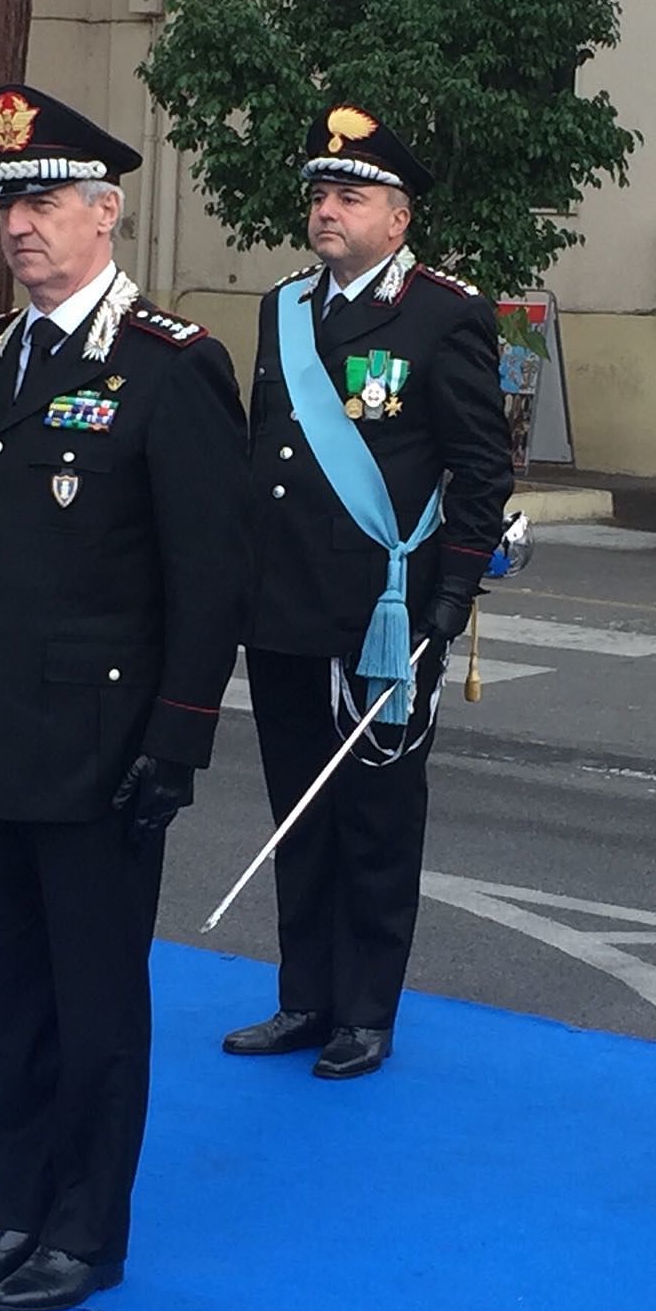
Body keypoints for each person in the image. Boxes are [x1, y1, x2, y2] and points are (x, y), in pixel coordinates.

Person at [0, 84, 250, 1311]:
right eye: (7, 204)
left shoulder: (168, 364)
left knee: (93, 1003)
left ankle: (83, 1231)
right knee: (3, 999)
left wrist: (178, 737)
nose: (20, 226)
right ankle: (16, 1209)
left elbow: (209, 574)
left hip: (97, 744)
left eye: (46, 201)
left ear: (105, 213)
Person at [222, 105, 513, 1080]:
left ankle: (365, 1010)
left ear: (398, 216)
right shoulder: (283, 309)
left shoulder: (442, 314)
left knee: (376, 817)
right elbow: (263, 456)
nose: (326, 210)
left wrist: (452, 596)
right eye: (319, 194)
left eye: (349, 195)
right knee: (298, 812)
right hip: (283, 604)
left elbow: (480, 470)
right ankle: (304, 996)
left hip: (382, 613)